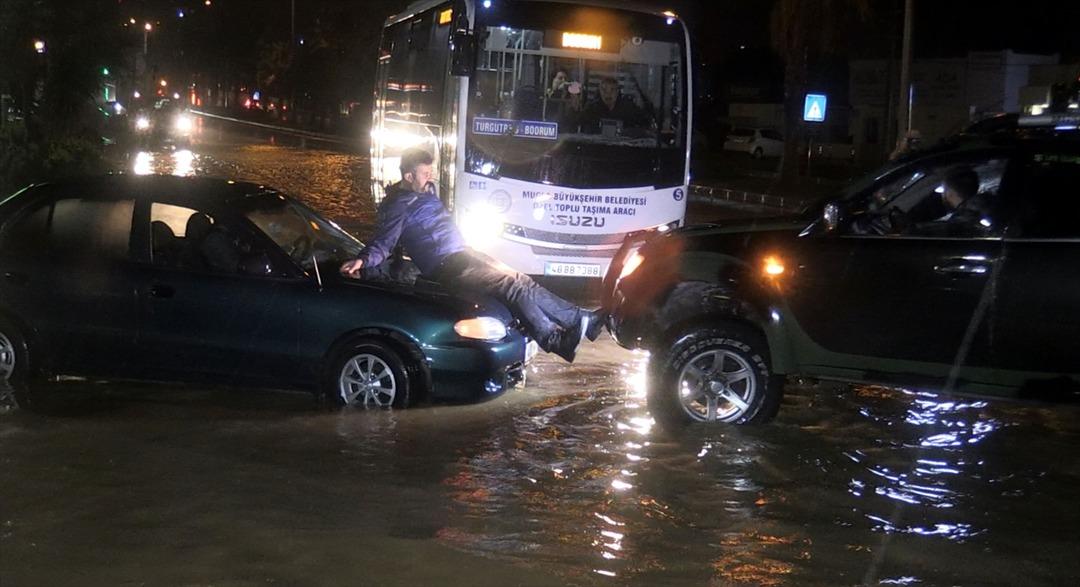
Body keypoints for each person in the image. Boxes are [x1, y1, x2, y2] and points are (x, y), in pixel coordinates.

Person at [340, 148, 605, 362]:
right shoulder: (397, 206)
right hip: (449, 266)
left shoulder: (425, 191)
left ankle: (583, 320)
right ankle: (554, 340)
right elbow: (384, 242)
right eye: (423, 173)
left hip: (464, 253)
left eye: (430, 172)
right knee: (511, 287)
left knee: (521, 279)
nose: (429, 178)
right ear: (408, 176)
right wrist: (363, 260)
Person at [577, 77, 652, 134]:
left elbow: (645, 123)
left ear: (617, 91)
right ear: (599, 91)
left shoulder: (628, 107)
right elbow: (577, 123)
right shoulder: (591, 109)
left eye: (612, 90)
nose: (608, 94)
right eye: (604, 89)